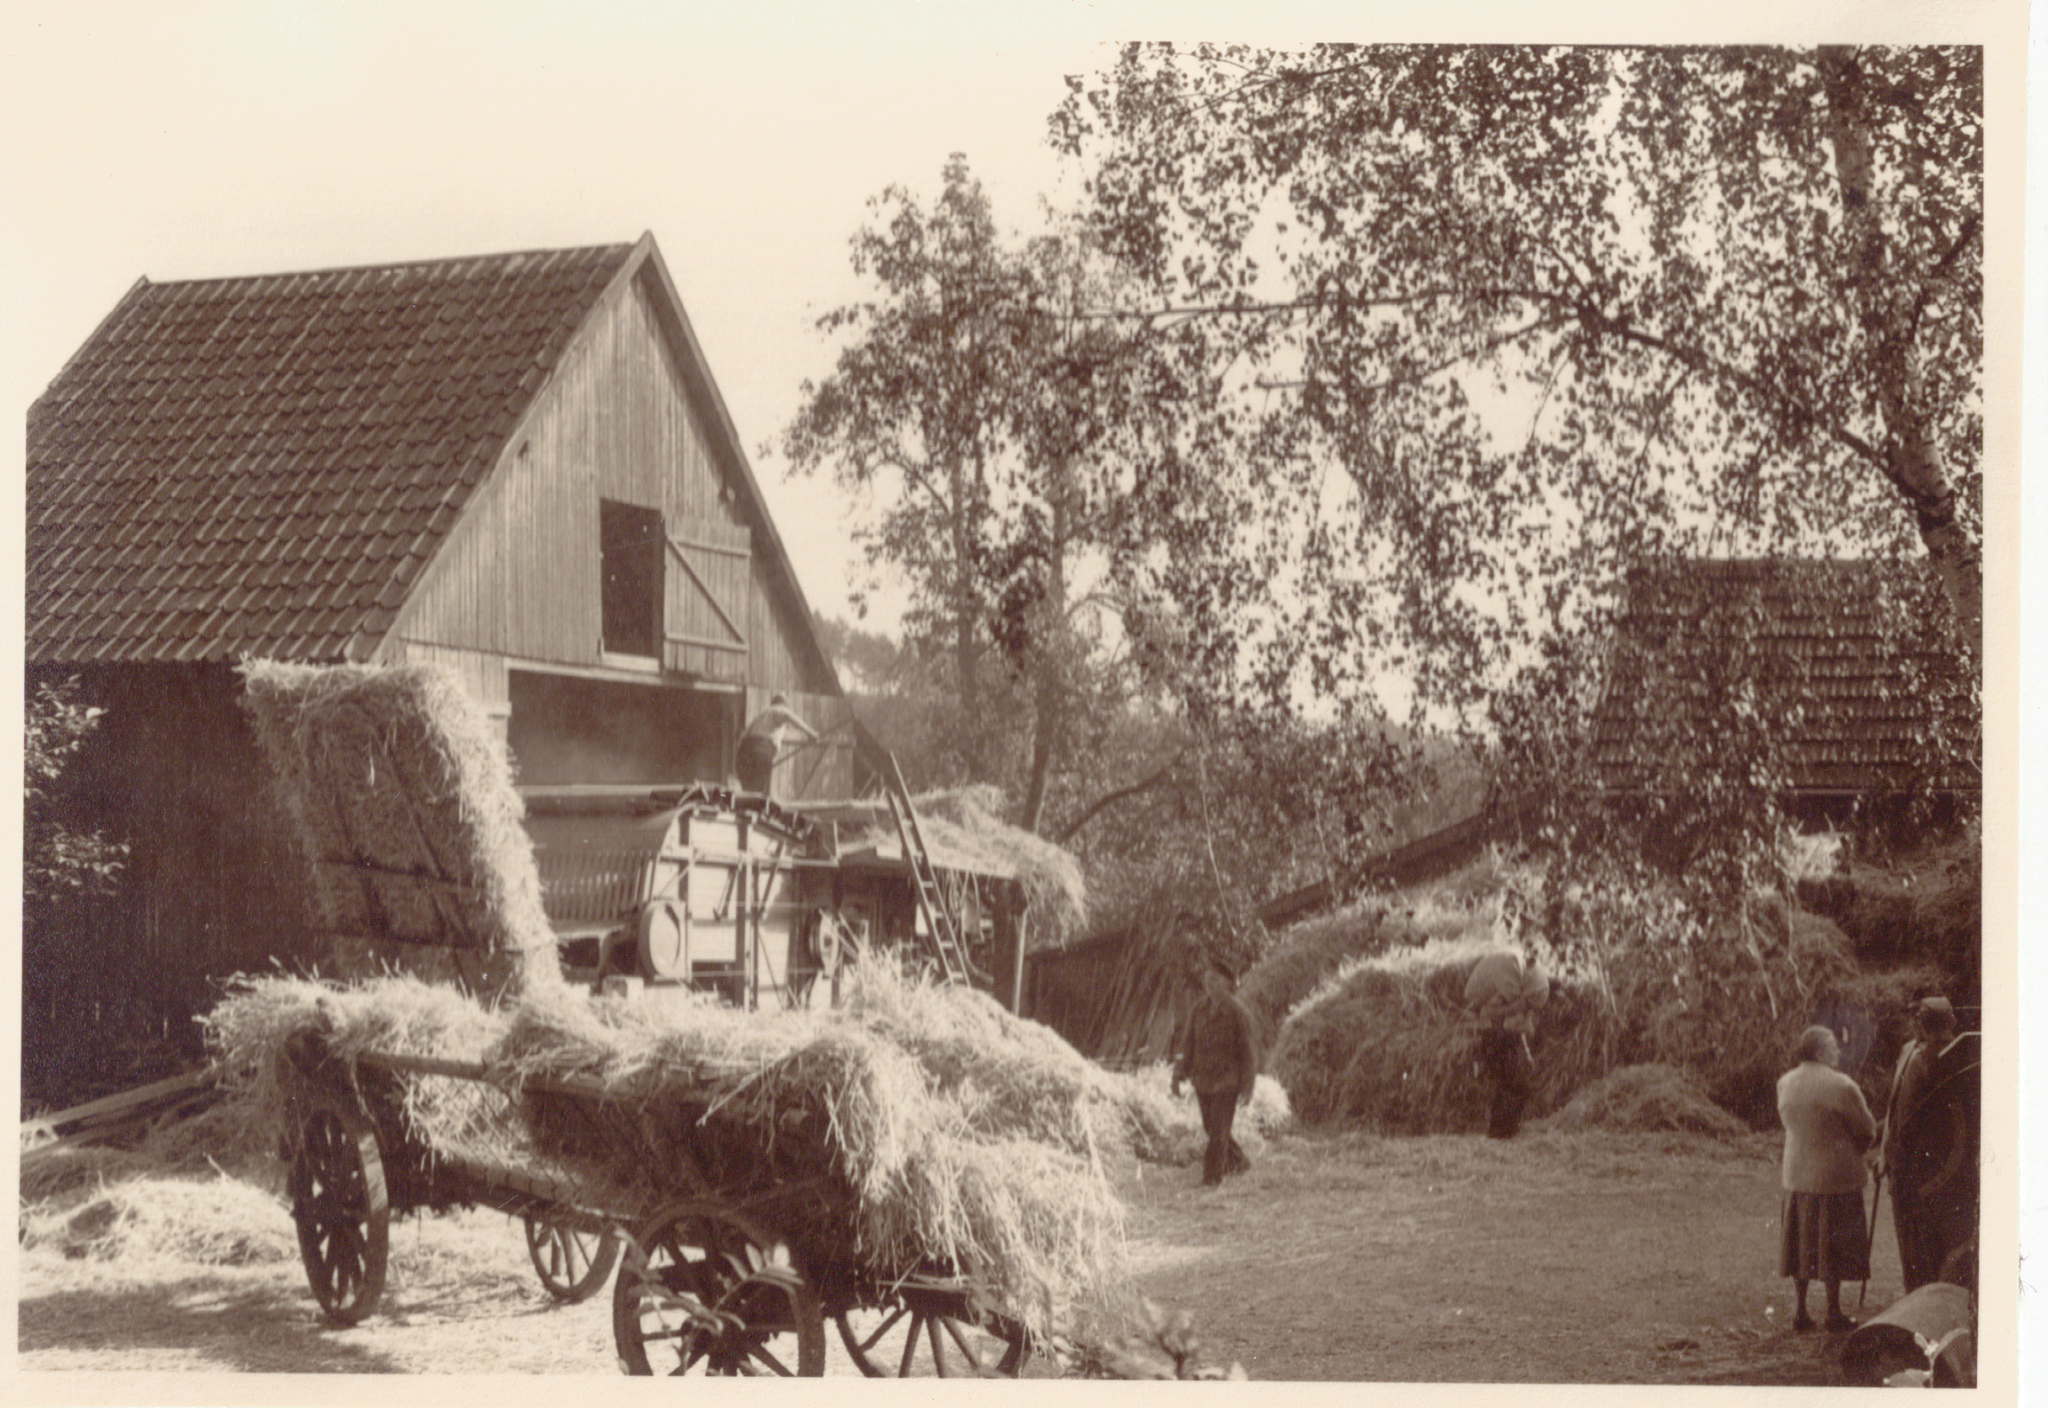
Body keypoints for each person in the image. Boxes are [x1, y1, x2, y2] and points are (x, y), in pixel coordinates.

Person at [1777, 1023, 1877, 1333]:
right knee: (1830, 1245)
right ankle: (1833, 1312)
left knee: (1801, 1242)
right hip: (1835, 1178)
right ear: (1820, 1051)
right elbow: (1867, 1130)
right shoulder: (1841, 1086)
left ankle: (1801, 1310)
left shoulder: (1786, 1083)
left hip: (1797, 1175)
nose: (1837, 1050)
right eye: (1832, 1045)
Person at [1881, 996, 1978, 1292]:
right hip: (1906, 1172)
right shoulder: (1910, 1052)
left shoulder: (1949, 1060)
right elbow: (1895, 1109)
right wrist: (1885, 1151)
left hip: (1932, 1180)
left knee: (1933, 1260)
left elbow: (1958, 1130)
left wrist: (1932, 1183)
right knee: (1914, 1254)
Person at [1171, 958, 1260, 1187]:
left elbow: (1249, 1054)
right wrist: (1177, 1074)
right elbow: (1186, 1043)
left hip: (1226, 1082)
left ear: (1227, 984)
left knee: (1219, 1132)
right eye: (1207, 979)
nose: (1209, 983)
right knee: (1211, 1128)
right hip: (1202, 1080)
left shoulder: (1238, 1012)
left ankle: (1211, 1178)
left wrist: (1247, 1088)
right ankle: (1239, 1162)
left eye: (1215, 979)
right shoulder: (1199, 1009)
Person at [1462, 948, 1550, 1139]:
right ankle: (1500, 1133)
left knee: (1514, 1087)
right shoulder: (1508, 988)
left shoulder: (1512, 987)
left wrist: (1526, 1051)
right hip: (1495, 1038)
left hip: (1499, 1038)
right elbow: (1489, 1014)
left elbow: (1521, 1028)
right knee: (1514, 1086)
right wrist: (1518, 1009)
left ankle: (1504, 1132)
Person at [736, 693, 818, 796]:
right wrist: (811, 733)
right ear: (784, 705)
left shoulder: (761, 717)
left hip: (744, 752)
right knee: (759, 793)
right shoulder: (778, 709)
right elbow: (788, 716)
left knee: (749, 791)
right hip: (761, 749)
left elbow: (742, 737)